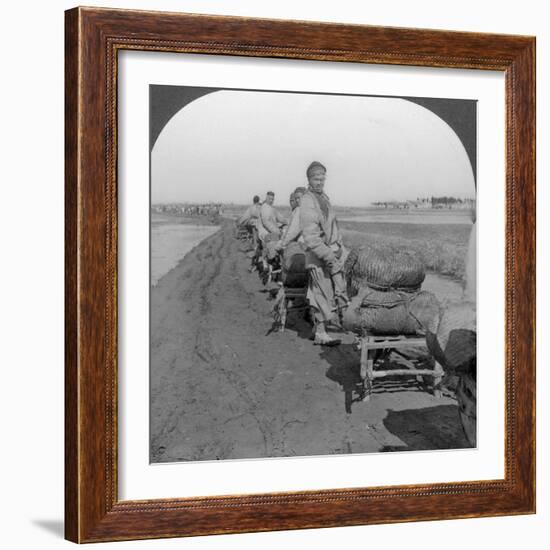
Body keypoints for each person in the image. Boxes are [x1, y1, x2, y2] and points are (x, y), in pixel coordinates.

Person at [299, 161, 348, 345]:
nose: (319, 182)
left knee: (340, 290)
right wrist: (329, 256)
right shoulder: (307, 201)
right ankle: (320, 333)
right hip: (318, 256)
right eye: (315, 179)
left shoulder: (324, 198)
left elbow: (333, 225)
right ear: (309, 180)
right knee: (321, 293)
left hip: (333, 252)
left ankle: (339, 323)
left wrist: (340, 247)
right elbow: (311, 238)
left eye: (322, 178)